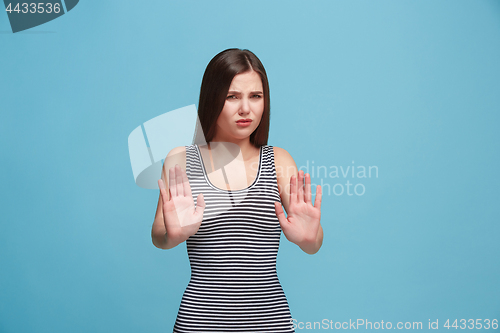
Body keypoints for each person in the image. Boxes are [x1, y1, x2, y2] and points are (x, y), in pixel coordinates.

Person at [151, 48, 323, 332]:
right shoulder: (181, 159)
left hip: (270, 323)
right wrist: (174, 234)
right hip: (200, 322)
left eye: (255, 96)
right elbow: (159, 236)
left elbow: (313, 243)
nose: (246, 109)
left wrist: (308, 239)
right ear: (212, 98)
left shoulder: (279, 161)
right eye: (233, 97)